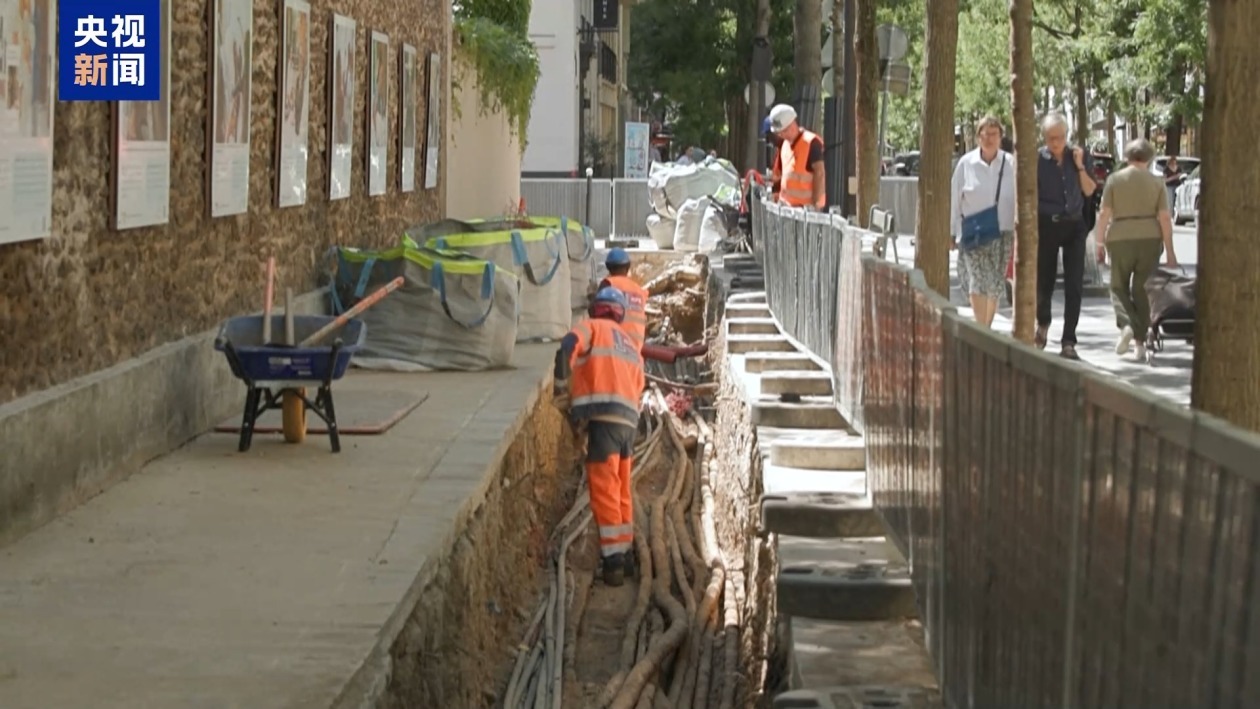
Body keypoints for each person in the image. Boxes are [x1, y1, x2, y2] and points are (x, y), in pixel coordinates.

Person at [553, 287, 645, 587]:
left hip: (603, 420)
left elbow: (567, 346)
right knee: (621, 489)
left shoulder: (590, 327)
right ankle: (626, 554)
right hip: (628, 425)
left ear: (596, 309)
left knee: (604, 488)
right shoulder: (631, 346)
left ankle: (613, 562)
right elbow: (638, 386)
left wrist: (560, 385)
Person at [1093, 138, 1179, 363]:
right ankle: (1140, 344)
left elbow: (1104, 214)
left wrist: (1099, 244)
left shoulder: (1114, 180)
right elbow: (1164, 217)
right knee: (1143, 290)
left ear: (1127, 157)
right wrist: (1170, 251)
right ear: (1150, 158)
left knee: (1118, 286)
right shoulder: (1157, 182)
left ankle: (1128, 325)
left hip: (1120, 236)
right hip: (1150, 237)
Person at [1035, 112, 1097, 360]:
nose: (1056, 142)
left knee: (1074, 285)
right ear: (1044, 138)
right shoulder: (1038, 160)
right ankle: (1043, 324)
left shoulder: (1079, 156)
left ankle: (1069, 340)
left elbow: (1090, 189)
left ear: (1066, 135)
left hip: (1074, 225)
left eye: (1060, 137)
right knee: (1044, 282)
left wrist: (1081, 166)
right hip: (1047, 225)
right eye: (1051, 138)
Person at [950, 116, 1016, 328]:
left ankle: (985, 328)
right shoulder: (965, 164)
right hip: (974, 232)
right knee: (977, 281)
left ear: (1000, 137)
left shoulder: (1011, 164)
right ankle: (981, 328)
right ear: (978, 137)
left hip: (1003, 231)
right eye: (984, 134)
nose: (988, 139)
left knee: (995, 283)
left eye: (993, 134)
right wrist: (951, 232)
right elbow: (954, 198)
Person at [598, 248, 709, 363]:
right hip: (636, 344)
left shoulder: (607, 284)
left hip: (614, 342)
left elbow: (595, 312)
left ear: (608, 267)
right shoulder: (637, 290)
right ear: (627, 267)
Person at [768, 104, 826, 210]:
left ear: (792, 125)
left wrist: (815, 206)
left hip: (806, 211)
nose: (781, 135)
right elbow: (780, 174)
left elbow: (820, 173)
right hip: (787, 208)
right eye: (779, 133)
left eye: (783, 131)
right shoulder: (785, 145)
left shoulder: (811, 143)